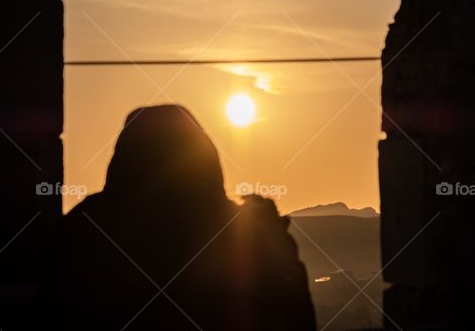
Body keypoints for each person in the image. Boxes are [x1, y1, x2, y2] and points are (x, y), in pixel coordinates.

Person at [57, 104, 316, 330]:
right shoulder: (240, 230)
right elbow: (290, 313)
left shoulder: (90, 226)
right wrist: (278, 243)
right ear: (203, 155)